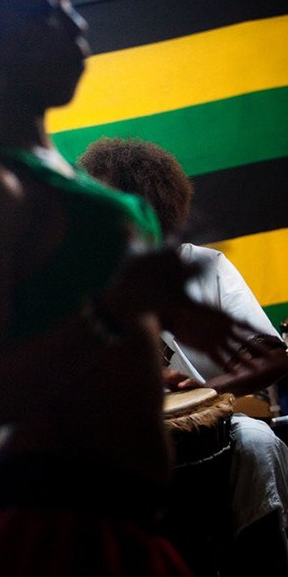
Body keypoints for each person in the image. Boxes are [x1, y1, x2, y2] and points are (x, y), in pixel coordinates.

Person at [0, 0, 284, 574]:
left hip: (112, 516)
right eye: (47, 8)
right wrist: (115, 311)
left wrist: (158, 316)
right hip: (55, 525)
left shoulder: (49, 172)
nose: (77, 24)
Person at [78, 136, 288, 575]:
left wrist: (209, 391)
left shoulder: (204, 266)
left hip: (215, 430)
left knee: (260, 442)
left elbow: (272, 355)